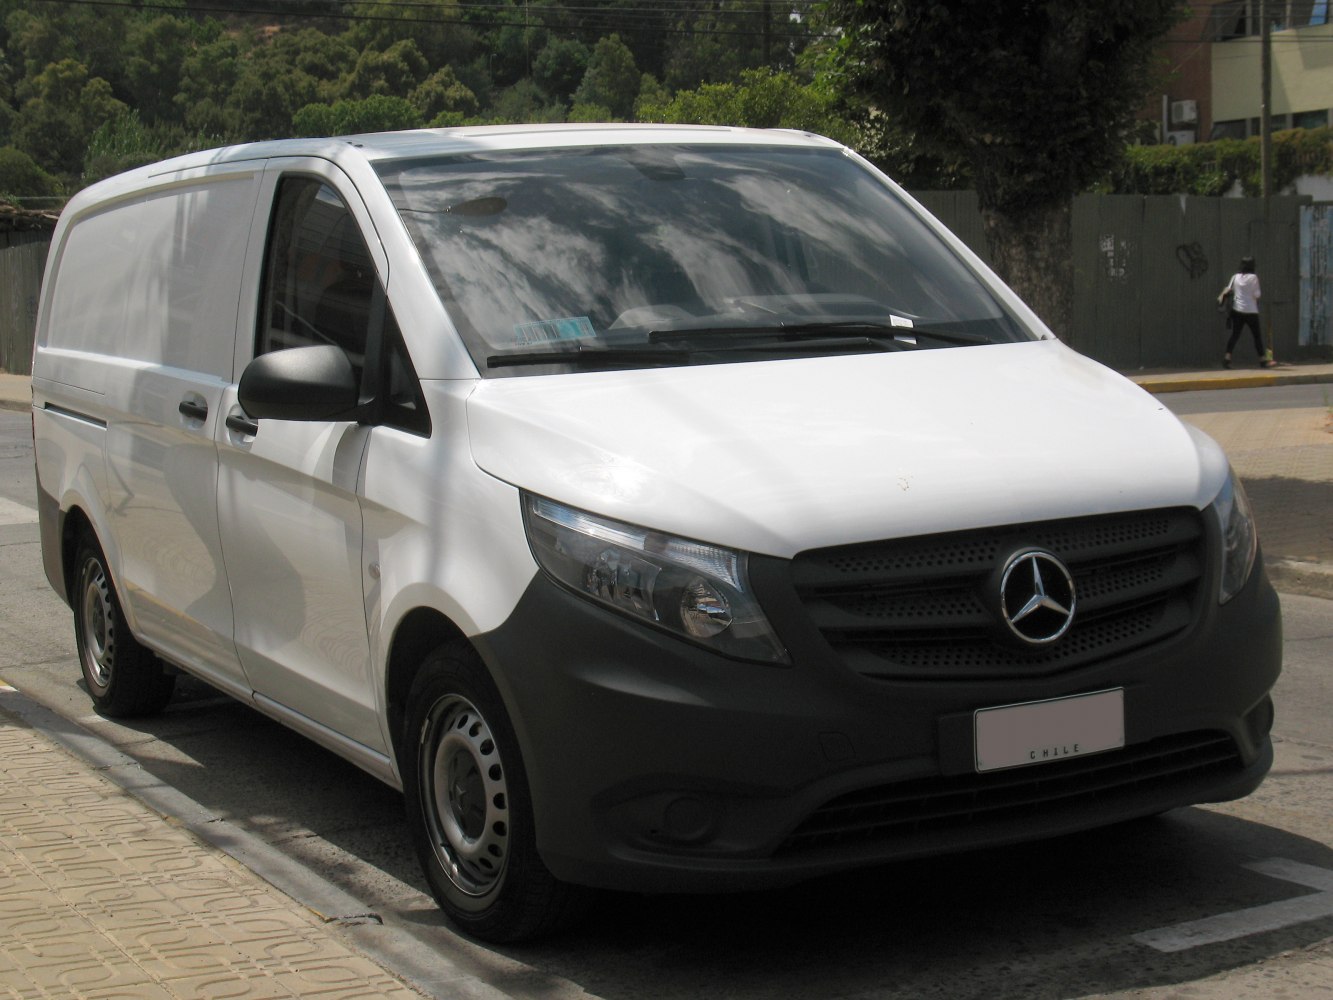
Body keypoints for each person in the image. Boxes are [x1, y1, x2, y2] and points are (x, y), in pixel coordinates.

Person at [1218, 256, 1274, 368]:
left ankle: (1227, 358)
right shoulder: (1253, 278)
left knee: (1235, 335)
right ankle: (1262, 360)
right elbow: (1257, 295)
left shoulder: (1235, 277)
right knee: (1256, 336)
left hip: (1237, 311)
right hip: (1251, 311)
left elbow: (1229, 290)